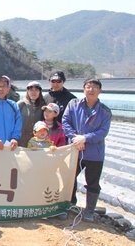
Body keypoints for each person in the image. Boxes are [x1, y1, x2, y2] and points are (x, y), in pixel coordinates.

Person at [62, 78, 111, 222]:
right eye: (88, 87)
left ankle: (89, 211)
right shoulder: (74, 104)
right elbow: (66, 122)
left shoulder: (104, 111)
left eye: (95, 87)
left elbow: (103, 131)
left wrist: (85, 138)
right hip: (75, 150)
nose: (91, 89)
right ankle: (69, 205)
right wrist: (75, 138)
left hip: (94, 154)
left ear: (100, 90)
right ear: (84, 89)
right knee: (69, 180)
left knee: (93, 183)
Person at [17, 81, 45, 147]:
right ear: (27, 91)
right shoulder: (20, 104)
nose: (33, 92)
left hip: (37, 144)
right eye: (31, 90)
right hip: (21, 142)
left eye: (36, 90)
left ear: (40, 92)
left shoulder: (43, 106)